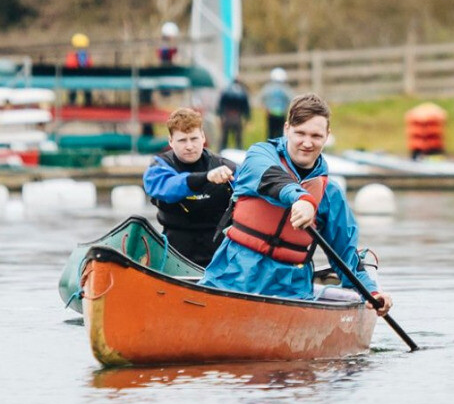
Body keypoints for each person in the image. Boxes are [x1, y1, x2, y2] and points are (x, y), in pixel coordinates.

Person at [200, 93, 393, 316]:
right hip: (231, 277)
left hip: (290, 291)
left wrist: (373, 292)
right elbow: (271, 179)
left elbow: (346, 258)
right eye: (300, 133)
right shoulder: (259, 156)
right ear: (286, 129)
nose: (307, 143)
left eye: (316, 135)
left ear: (327, 136)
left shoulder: (331, 194)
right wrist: (303, 199)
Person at [143, 107, 237, 266]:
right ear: (170, 141)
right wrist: (206, 177)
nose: (189, 146)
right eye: (182, 140)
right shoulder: (158, 169)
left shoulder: (227, 167)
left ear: (203, 137)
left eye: (194, 139)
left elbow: (256, 189)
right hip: (175, 252)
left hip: (221, 253)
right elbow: (169, 187)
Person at [216, 78, 251, 149]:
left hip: (227, 117)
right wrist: (247, 118)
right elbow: (246, 106)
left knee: (224, 138)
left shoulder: (226, 91)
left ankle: (221, 151)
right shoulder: (242, 91)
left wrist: (219, 115)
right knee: (238, 139)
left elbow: (221, 104)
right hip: (237, 117)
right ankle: (239, 152)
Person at [259, 67, 292, 140]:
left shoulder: (268, 88)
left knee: (271, 133)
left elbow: (261, 99)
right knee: (280, 133)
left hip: (271, 114)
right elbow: (291, 99)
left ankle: (270, 148)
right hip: (280, 114)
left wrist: (266, 109)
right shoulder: (285, 88)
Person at [65, 33, 93, 106]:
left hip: (77, 77)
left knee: (78, 87)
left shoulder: (73, 55)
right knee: (81, 87)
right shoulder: (85, 56)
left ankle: (73, 102)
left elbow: (69, 65)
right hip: (80, 77)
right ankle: (87, 102)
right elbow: (90, 65)